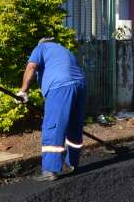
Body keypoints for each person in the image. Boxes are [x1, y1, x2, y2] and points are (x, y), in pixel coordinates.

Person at [17, 38, 87, 181]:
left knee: (53, 126)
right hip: (80, 86)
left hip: (60, 87)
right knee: (74, 126)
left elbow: (31, 67)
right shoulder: (65, 51)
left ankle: (50, 169)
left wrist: (23, 91)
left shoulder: (41, 48)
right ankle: (71, 163)